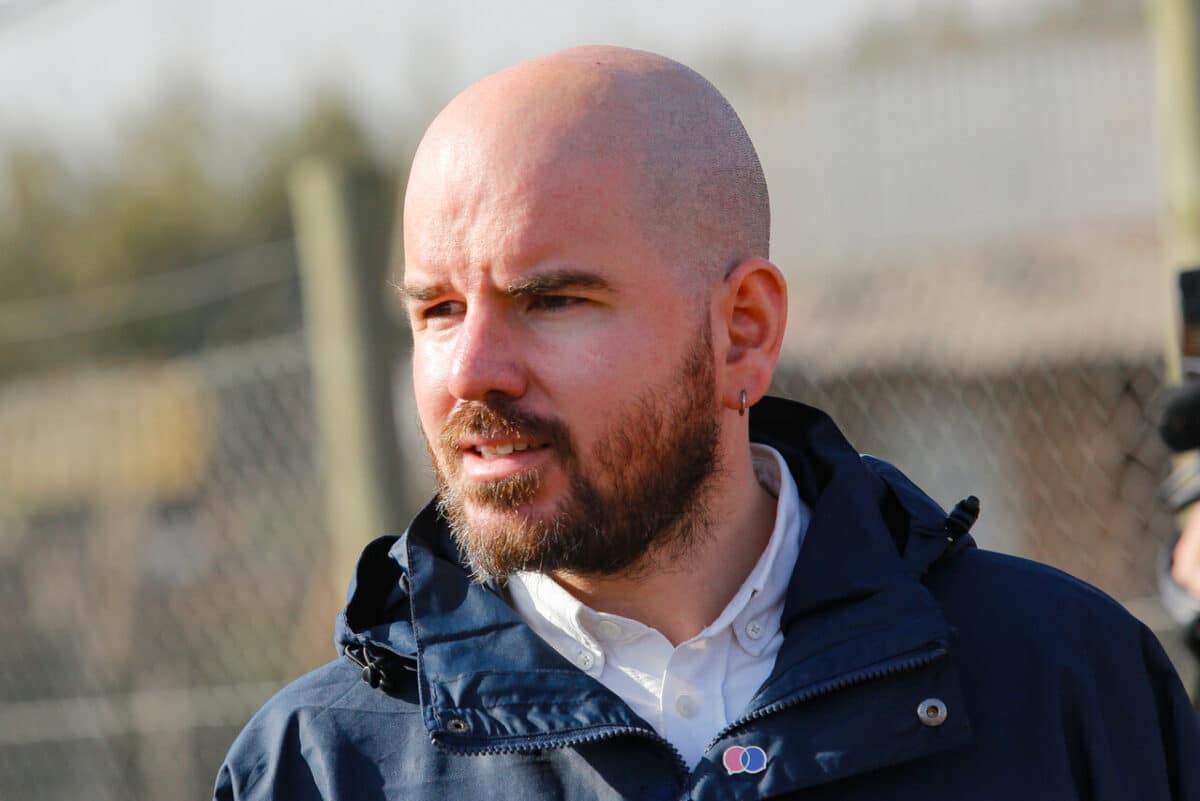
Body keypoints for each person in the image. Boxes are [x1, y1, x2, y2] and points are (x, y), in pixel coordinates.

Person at [215, 46, 1200, 800]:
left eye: (551, 300)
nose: (471, 370)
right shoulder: (319, 767)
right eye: (437, 310)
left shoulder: (1065, 682)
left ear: (743, 331)